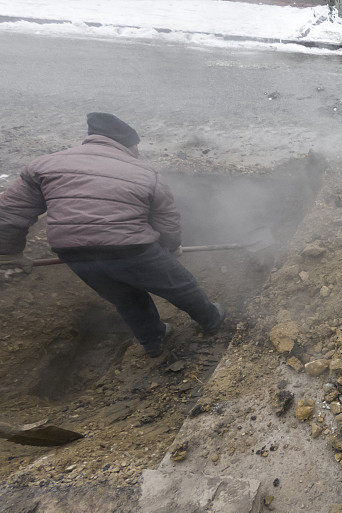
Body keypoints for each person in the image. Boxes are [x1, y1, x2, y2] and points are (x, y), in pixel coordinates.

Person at [0, 113, 225, 357]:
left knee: (127, 299)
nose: (138, 152)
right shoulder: (146, 173)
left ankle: (153, 341)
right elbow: (166, 219)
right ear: (127, 144)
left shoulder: (43, 165)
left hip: (74, 254)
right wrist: (170, 247)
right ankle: (211, 320)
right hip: (130, 249)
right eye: (136, 146)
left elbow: (10, 211)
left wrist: (9, 253)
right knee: (180, 285)